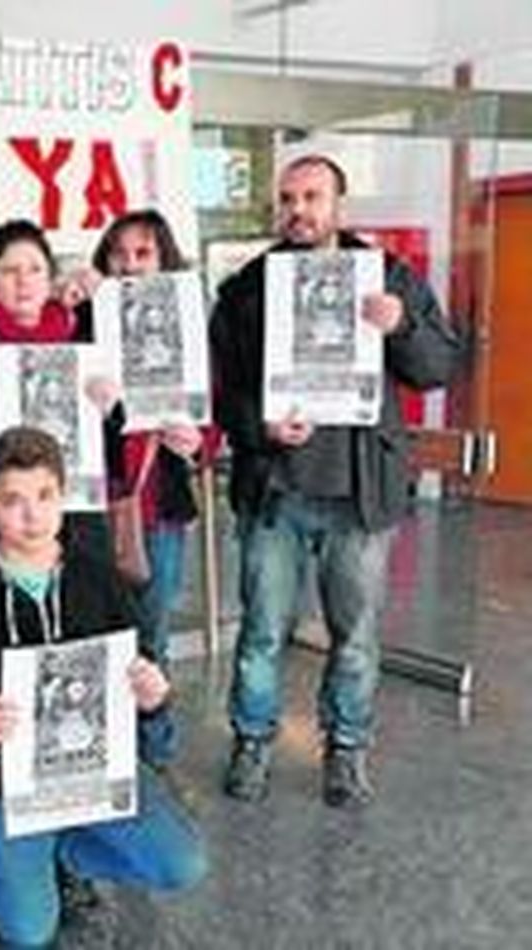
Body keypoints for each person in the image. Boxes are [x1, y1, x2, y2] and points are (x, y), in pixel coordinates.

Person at [210, 154, 464, 807]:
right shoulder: (247, 289)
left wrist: (400, 325)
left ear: (338, 205)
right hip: (277, 493)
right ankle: (253, 741)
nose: (299, 210)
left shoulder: (388, 279)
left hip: (359, 494)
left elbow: (440, 365)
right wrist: (261, 425)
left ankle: (346, 749)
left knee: (356, 636)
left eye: (312, 197)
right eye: (288, 198)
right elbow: (222, 393)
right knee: (262, 632)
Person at [0, 427, 206, 948]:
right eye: (13, 501)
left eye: (45, 496)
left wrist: (155, 699)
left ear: (63, 497)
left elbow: (140, 670)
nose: (32, 515)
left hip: (89, 773)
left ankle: (63, 852)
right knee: (29, 932)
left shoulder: (98, 579)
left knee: (183, 864)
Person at [86, 210, 216, 768]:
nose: (130, 265)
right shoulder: (83, 321)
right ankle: (104, 756)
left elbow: (212, 415)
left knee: (152, 636)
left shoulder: (190, 328)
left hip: (159, 507)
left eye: (142, 253)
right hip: (93, 505)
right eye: (119, 254)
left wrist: (198, 440)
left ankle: (153, 756)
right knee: (95, 636)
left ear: (164, 257)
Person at [0, 219, 124, 565]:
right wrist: (1, 503)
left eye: (35, 269)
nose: (23, 281)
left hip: (73, 529)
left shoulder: (82, 348)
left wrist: (109, 411)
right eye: (9, 271)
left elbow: (112, 457)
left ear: (50, 279)